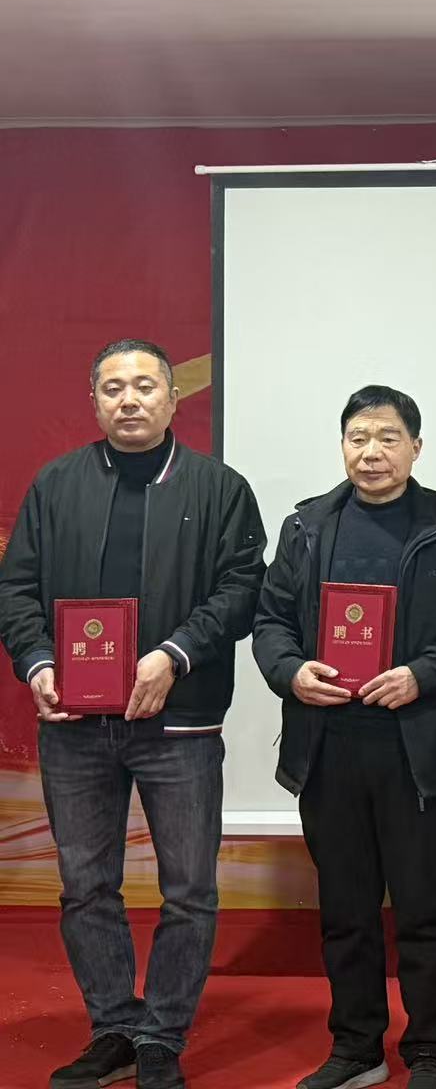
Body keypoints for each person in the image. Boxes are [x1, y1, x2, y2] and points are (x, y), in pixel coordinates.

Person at [0, 339, 266, 1089]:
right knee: (86, 886)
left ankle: (162, 1036)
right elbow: (15, 590)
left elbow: (242, 589)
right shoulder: (56, 485)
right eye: (113, 387)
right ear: (94, 402)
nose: (129, 399)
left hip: (179, 723)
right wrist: (38, 662)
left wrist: (174, 655)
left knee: (189, 890)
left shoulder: (219, 488)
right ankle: (113, 1027)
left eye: (145, 385)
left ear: (172, 398)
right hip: (76, 728)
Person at [251, 385, 436, 1089]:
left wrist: (423, 675)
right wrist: (291, 671)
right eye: (358, 437)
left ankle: (429, 1053)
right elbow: (270, 622)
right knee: (345, 912)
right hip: (328, 748)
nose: (372, 452)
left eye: (388, 438)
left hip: (418, 752)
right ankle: (356, 1046)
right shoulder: (304, 528)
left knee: (426, 913)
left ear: (416, 448)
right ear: (342, 446)